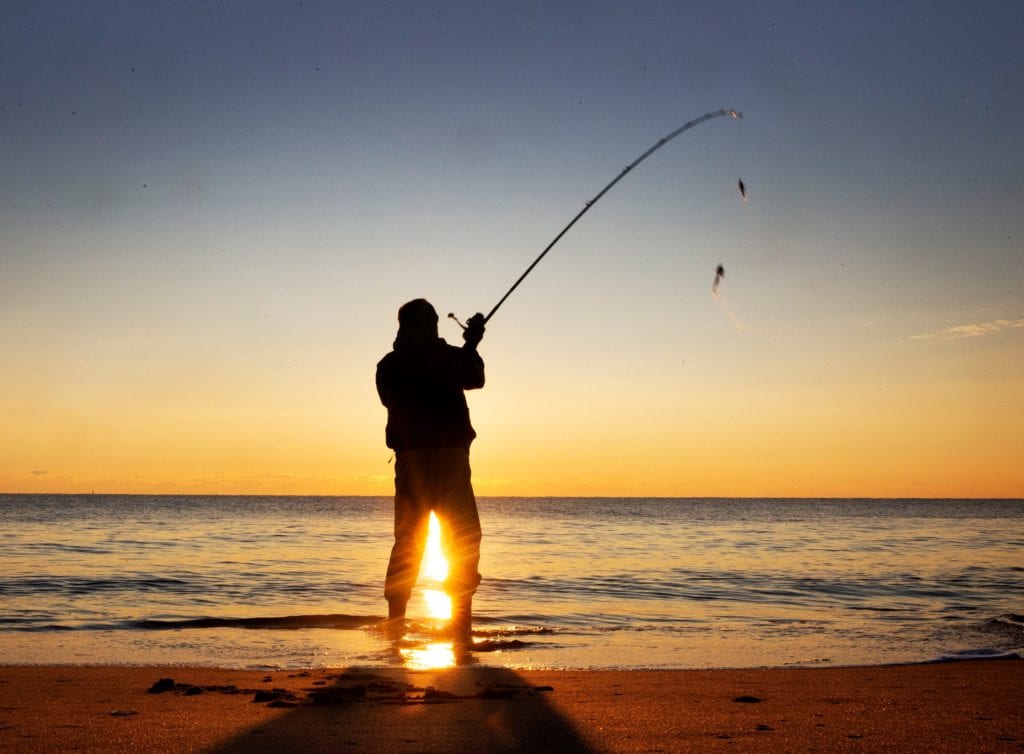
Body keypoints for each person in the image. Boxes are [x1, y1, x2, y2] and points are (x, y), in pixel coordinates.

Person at [375, 299, 486, 639]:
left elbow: (386, 398)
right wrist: (471, 344)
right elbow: (475, 378)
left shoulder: (389, 364)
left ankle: (396, 621)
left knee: (408, 540)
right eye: (432, 322)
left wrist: (466, 346)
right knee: (461, 537)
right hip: (449, 460)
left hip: (411, 462)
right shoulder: (449, 357)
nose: (435, 327)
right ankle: (460, 622)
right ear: (429, 324)